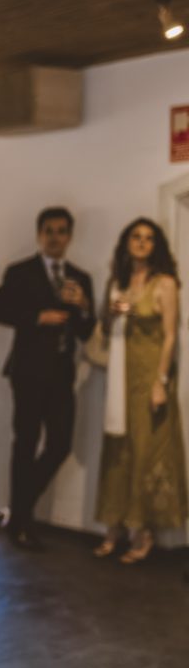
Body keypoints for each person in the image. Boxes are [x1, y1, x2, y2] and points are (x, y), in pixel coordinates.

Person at [0, 207, 95, 550]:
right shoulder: (21, 272)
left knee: (60, 444)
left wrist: (86, 307)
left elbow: (86, 331)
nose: (55, 237)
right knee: (26, 443)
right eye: (49, 230)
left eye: (61, 231)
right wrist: (36, 316)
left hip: (63, 374)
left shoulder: (80, 278)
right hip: (28, 372)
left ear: (69, 236)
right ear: (39, 234)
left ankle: (17, 511)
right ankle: (21, 521)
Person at [93, 218, 187, 563]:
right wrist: (112, 313)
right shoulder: (116, 282)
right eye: (136, 236)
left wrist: (161, 382)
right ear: (126, 242)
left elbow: (171, 336)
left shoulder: (164, 283)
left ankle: (142, 531)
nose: (142, 243)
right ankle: (114, 527)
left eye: (149, 238)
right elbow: (103, 326)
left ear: (157, 245)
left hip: (149, 378)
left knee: (146, 451)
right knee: (119, 451)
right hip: (120, 377)